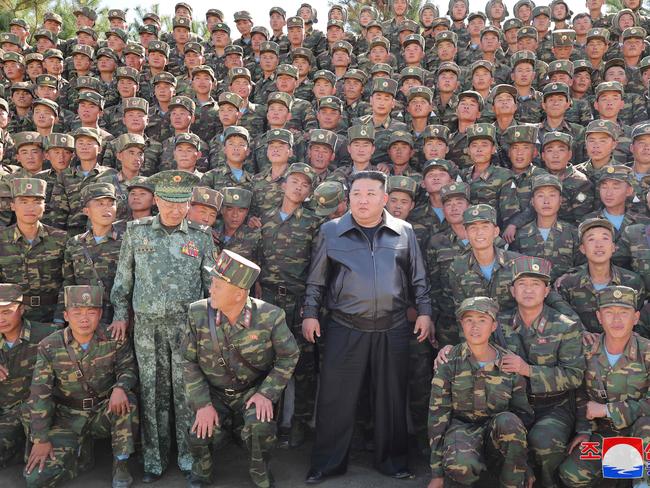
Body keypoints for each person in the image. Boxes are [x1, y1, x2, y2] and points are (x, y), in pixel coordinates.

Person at [302, 170, 432, 482]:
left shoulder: (404, 231)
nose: (363, 200)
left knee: (391, 398)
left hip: (394, 326)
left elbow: (419, 278)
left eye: (371, 193)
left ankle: (393, 461)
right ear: (348, 198)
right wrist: (309, 313)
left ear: (385, 198)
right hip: (345, 326)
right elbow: (317, 280)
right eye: (357, 193)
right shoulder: (331, 231)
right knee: (336, 398)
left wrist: (425, 311)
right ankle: (327, 463)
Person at [110, 170, 215, 481]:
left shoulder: (201, 235)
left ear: (188, 204)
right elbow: (123, 280)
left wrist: (211, 324)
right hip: (146, 325)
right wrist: (119, 313)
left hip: (187, 327)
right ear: (156, 200)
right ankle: (154, 460)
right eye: (168, 201)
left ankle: (187, 457)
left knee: (186, 392)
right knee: (153, 392)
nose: (174, 209)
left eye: (181, 203)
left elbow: (211, 284)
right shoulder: (135, 232)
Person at [182, 250, 299, 488]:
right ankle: (201, 472)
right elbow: (189, 361)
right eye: (212, 283)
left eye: (218, 286)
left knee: (261, 424)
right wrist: (202, 404)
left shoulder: (270, 316)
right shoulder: (197, 313)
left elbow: (289, 355)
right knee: (198, 430)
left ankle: (260, 471)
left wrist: (267, 393)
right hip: (214, 393)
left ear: (238, 295)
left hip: (250, 391)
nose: (211, 290)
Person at [24, 285, 138, 488]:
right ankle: (83, 456)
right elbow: (40, 393)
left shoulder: (114, 338)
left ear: (101, 314)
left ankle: (120, 463)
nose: (84, 319)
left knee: (127, 402)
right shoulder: (50, 346)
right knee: (35, 479)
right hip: (67, 418)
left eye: (91, 312)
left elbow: (128, 368)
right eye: (77, 313)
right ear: (66, 315)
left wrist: (120, 387)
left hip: (102, 412)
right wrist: (40, 439)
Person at [427, 296, 533, 488]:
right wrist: (436, 474)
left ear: (493, 326)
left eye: (482, 320)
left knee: (509, 421)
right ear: (461, 325)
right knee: (462, 465)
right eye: (469, 320)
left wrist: (525, 466)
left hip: (498, 435)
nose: (475, 327)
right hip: (463, 430)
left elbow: (522, 417)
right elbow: (437, 417)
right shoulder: (449, 362)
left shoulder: (508, 364)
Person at [559, 286, 650, 487]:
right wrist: (584, 430)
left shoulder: (647, 352)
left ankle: (642, 482)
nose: (616, 320)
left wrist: (608, 410)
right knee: (571, 474)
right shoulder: (587, 352)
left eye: (623, 313)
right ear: (599, 317)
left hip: (641, 434)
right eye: (609, 313)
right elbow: (581, 394)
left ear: (635, 318)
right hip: (605, 435)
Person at [0, 283, 53, 467]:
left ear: (22, 309)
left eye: (7, 311)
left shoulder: (47, 335)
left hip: (39, 412)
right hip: (7, 414)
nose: (1, 318)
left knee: (41, 470)